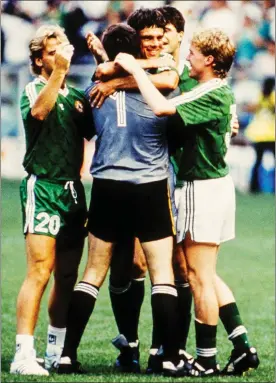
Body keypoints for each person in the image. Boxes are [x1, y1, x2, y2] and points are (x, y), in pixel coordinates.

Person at [114, 27, 260, 377]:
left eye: (193, 52)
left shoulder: (210, 92)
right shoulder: (218, 91)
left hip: (201, 188)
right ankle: (241, 348)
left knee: (198, 277)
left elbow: (163, 107)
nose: (188, 58)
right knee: (206, 273)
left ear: (209, 59)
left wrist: (133, 70)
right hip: (215, 188)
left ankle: (206, 359)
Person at [57, 22, 185, 377]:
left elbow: (86, 128)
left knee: (92, 273)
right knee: (162, 275)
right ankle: (170, 358)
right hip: (148, 185)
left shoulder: (94, 92)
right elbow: (173, 126)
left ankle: (67, 354)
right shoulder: (157, 91)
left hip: (108, 186)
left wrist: (105, 69)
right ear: (137, 52)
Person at [10, 24, 94, 376]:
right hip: (43, 187)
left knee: (67, 275)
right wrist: (59, 71)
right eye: (50, 51)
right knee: (40, 271)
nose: (58, 54)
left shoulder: (76, 96)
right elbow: (40, 113)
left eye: (61, 48)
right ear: (37, 59)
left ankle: (55, 350)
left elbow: (95, 129)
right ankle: (22, 354)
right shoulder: (33, 89)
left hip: (73, 191)